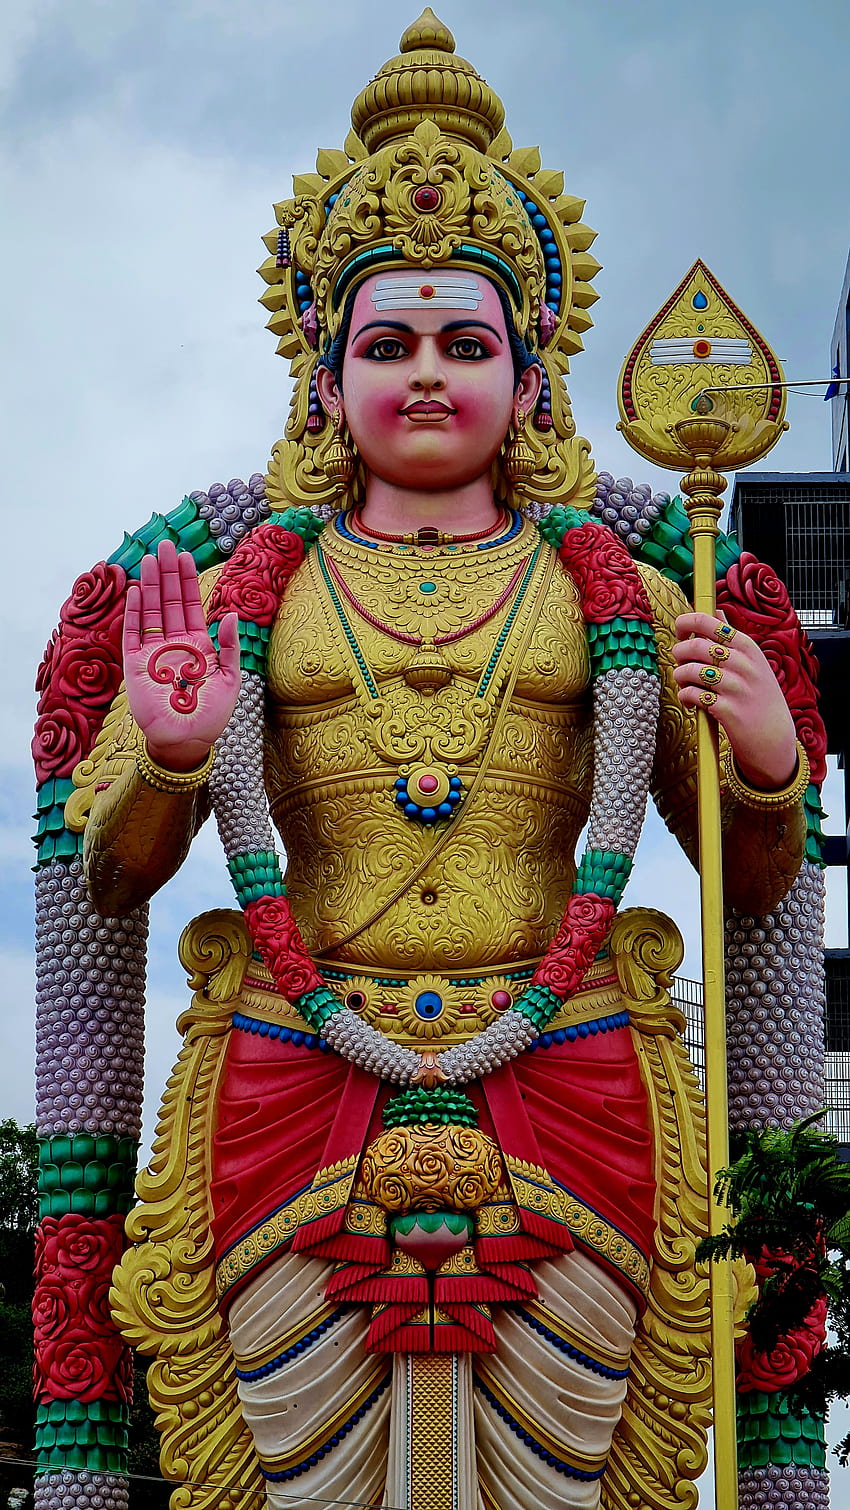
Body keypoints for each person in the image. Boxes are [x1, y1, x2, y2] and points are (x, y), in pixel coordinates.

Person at [77, 14, 812, 1510]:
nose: (425, 376)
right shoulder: (236, 595)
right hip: (296, 1056)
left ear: (531, 381)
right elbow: (110, 871)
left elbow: (747, 889)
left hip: (571, 1068)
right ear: (324, 379)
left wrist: (762, 761)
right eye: (388, 344)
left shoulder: (614, 583)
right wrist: (163, 757)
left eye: (464, 344)